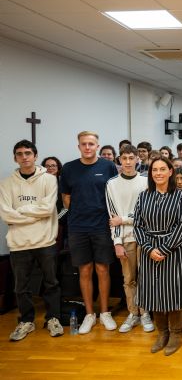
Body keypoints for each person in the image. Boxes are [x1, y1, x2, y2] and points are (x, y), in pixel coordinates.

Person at [0, 140, 63, 341]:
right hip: (19, 243)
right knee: (21, 286)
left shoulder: (49, 180)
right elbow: (6, 215)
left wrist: (22, 210)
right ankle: (26, 321)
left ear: (35, 156)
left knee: (51, 283)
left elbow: (47, 209)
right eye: (20, 154)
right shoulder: (6, 184)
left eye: (28, 153)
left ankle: (53, 318)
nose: (24, 157)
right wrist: (34, 213)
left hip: (45, 241)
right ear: (15, 158)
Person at [134, 157, 182, 356]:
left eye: (163, 169)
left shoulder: (181, 197)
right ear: (150, 173)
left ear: (171, 172)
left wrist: (165, 249)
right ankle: (162, 333)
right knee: (154, 294)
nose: (158, 173)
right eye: (154, 170)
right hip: (148, 252)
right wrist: (149, 248)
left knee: (173, 294)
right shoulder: (143, 197)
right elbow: (137, 226)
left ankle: (176, 334)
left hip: (174, 251)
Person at [60, 131, 118, 334]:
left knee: (103, 270)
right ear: (79, 147)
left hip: (102, 226)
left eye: (91, 144)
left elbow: (114, 193)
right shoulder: (69, 168)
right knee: (84, 271)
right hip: (78, 227)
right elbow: (66, 197)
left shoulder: (108, 166)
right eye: (83, 144)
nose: (87, 147)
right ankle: (89, 314)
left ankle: (104, 313)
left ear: (97, 146)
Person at [105, 144, 154, 334]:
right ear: (119, 160)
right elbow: (112, 217)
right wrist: (117, 243)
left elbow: (147, 214)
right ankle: (133, 313)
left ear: (137, 160)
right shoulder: (112, 184)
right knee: (129, 279)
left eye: (131, 158)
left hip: (145, 237)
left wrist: (124, 219)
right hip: (125, 238)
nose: (127, 162)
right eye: (124, 158)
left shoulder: (145, 182)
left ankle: (145, 313)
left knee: (145, 277)